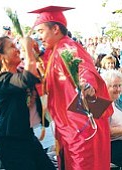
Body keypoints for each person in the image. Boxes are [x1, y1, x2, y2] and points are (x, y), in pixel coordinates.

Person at [26, 6, 113, 170]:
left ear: (56, 29)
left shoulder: (68, 48)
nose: (39, 36)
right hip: (68, 127)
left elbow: (84, 70)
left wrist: (87, 85)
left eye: (41, 31)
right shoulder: (51, 53)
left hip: (83, 127)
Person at [0, 36, 56, 170]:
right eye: (12, 47)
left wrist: (36, 53)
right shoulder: (0, 80)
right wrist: (28, 49)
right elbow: (27, 79)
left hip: (27, 136)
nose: (17, 49)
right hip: (11, 143)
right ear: (0, 56)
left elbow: (42, 77)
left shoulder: (20, 72)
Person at [101, 70, 122, 167]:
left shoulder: (116, 101)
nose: (118, 89)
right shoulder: (103, 105)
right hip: (112, 145)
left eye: (120, 85)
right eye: (114, 86)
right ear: (105, 86)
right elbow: (107, 131)